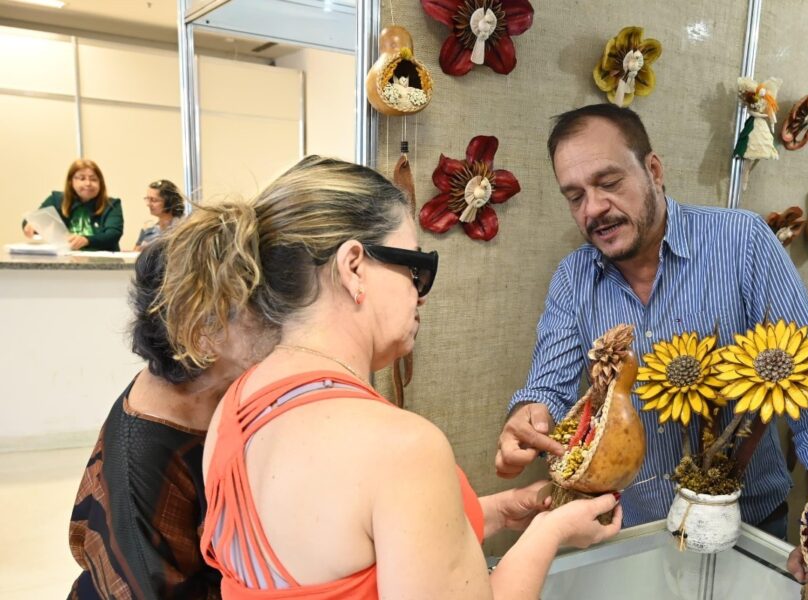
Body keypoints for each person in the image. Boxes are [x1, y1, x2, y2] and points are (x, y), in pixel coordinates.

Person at [156, 156, 620, 599]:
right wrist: (550, 532)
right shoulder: (402, 447)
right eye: (415, 268)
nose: (420, 296)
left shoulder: (235, 408)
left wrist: (496, 511)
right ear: (354, 266)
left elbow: (341, 548)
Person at [494, 104, 808, 539]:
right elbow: (547, 389)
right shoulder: (573, 279)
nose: (594, 209)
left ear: (654, 170)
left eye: (608, 183)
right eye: (575, 196)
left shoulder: (743, 243)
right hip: (633, 532)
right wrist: (527, 417)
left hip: (745, 525)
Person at [68, 241, 277, 599]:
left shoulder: (213, 386)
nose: (277, 317)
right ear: (200, 332)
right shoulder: (145, 461)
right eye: (256, 306)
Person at [23, 159, 124, 251]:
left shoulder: (111, 204)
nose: (88, 183)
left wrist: (87, 240)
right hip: (64, 262)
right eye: (82, 178)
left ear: (100, 183)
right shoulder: (57, 200)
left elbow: (113, 234)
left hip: (102, 263)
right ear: (71, 182)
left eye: (93, 179)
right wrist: (31, 225)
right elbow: (33, 219)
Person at [134, 179, 185, 250]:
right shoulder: (148, 230)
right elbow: (135, 254)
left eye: (154, 200)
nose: (148, 204)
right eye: (147, 199)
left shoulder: (184, 229)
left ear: (169, 201)